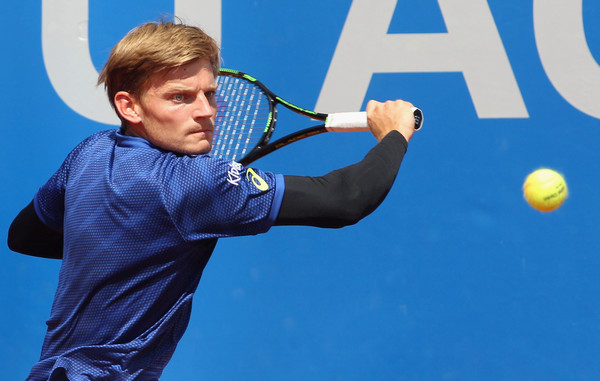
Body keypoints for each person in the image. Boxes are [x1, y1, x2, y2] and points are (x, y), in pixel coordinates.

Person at [7, 20, 417, 380]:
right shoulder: (193, 182)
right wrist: (395, 134)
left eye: (210, 94)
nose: (206, 111)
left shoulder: (90, 154)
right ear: (129, 106)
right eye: (180, 97)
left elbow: (23, 236)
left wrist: (131, 246)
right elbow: (344, 200)